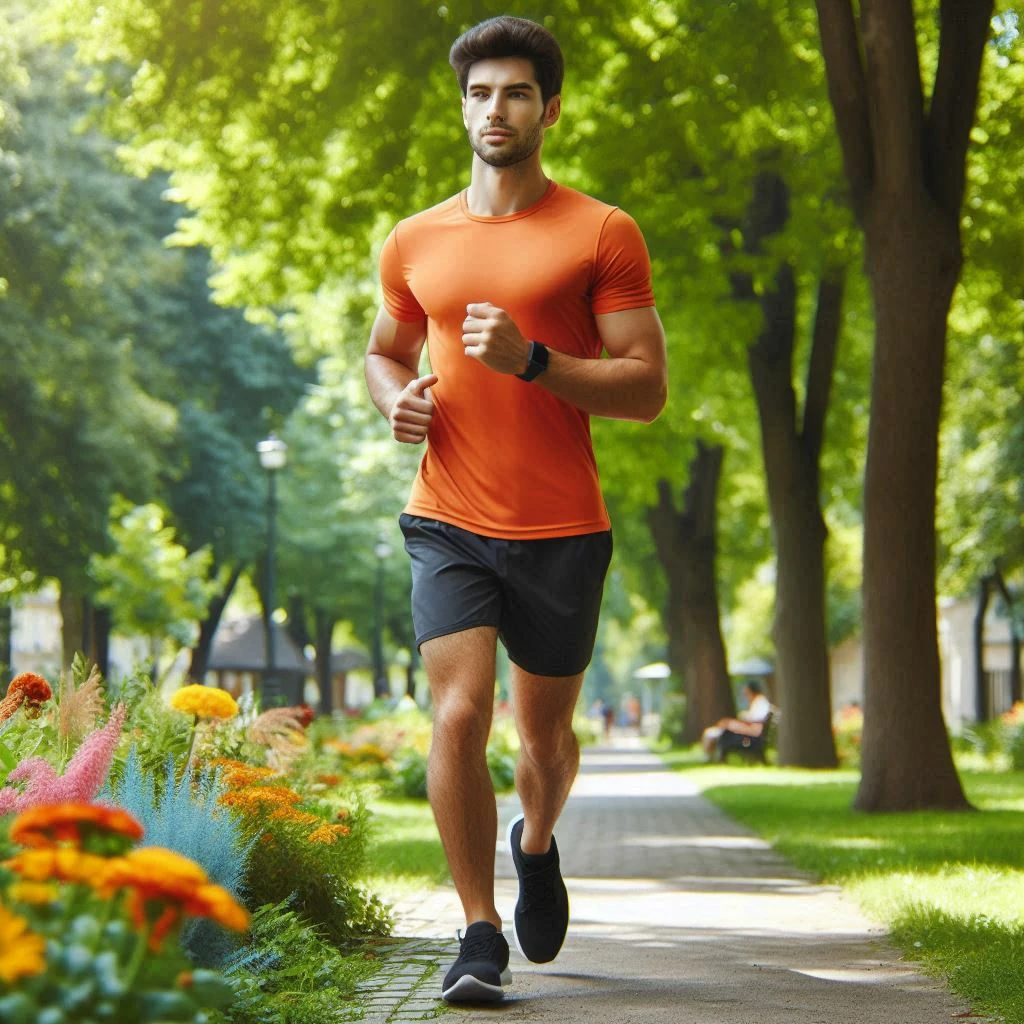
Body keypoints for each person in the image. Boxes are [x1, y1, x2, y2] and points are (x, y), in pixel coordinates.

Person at [363, 15, 667, 1004]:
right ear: (464, 106)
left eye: (516, 93)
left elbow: (644, 385)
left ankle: (535, 840)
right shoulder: (414, 239)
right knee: (457, 712)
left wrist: (532, 360)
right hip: (446, 513)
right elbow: (383, 348)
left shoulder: (601, 231)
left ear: (550, 108)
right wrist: (393, 400)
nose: (497, 109)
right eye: (481, 92)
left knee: (544, 742)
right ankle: (477, 932)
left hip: (562, 524)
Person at [700, 680, 773, 759]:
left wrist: (743, 718)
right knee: (722, 727)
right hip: (750, 733)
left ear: (752, 691)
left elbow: (757, 720)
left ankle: (710, 756)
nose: (746, 696)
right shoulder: (758, 702)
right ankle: (710, 754)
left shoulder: (760, 702)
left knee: (723, 729)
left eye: (747, 693)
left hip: (751, 737)